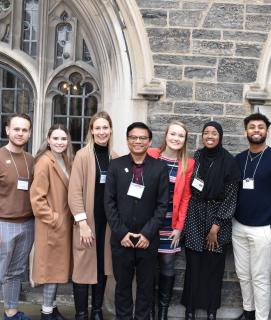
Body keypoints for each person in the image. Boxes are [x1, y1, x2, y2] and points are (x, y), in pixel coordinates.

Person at [104, 122, 169, 320]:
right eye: (133, 137)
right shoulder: (116, 166)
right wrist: (121, 232)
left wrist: (147, 233)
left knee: (146, 287)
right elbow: (109, 202)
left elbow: (162, 205)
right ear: (127, 140)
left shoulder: (159, 168)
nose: (137, 141)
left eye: (142, 138)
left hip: (147, 241)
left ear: (149, 142)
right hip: (121, 240)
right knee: (122, 286)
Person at [232, 113, 271, 320]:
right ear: (245, 131)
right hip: (239, 226)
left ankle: (261, 317)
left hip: (264, 229)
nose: (256, 130)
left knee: (260, 277)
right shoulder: (239, 159)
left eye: (260, 127)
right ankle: (248, 312)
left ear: (267, 131)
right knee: (243, 275)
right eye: (252, 127)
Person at [181, 121, 240, 320]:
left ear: (220, 136)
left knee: (213, 268)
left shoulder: (229, 161)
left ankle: (211, 310)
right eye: (206, 132)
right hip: (195, 215)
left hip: (218, 218)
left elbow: (231, 196)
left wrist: (216, 226)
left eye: (214, 133)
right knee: (193, 266)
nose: (209, 136)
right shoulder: (197, 157)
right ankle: (189, 309)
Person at [0, 113, 35, 320]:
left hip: (28, 225)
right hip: (1, 226)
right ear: (7, 130)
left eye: (24, 130)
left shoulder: (31, 160)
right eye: (16, 129)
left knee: (15, 273)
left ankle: (11, 313)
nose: (20, 133)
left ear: (29, 133)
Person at [68, 111, 117, 320]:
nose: (102, 131)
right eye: (97, 127)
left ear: (111, 129)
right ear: (91, 130)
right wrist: (82, 223)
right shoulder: (82, 155)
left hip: (107, 223)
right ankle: (81, 313)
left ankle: (97, 310)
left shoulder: (116, 157)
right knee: (82, 267)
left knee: (102, 266)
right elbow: (74, 192)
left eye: (105, 127)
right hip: (87, 221)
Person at [147, 121, 195, 320]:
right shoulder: (151, 155)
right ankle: (148, 312)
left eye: (180, 136)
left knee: (167, 264)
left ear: (184, 140)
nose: (176, 138)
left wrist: (179, 227)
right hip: (148, 221)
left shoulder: (188, 163)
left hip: (170, 222)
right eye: (173, 134)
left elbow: (185, 198)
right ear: (166, 135)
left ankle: (163, 313)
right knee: (147, 266)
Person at [30, 124, 74, 320]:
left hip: (63, 225)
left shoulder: (65, 159)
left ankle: (52, 308)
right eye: (55, 138)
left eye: (63, 139)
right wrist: (54, 219)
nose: (59, 142)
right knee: (51, 270)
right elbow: (37, 199)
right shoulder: (44, 162)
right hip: (52, 226)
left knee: (57, 269)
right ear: (48, 140)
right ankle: (46, 313)